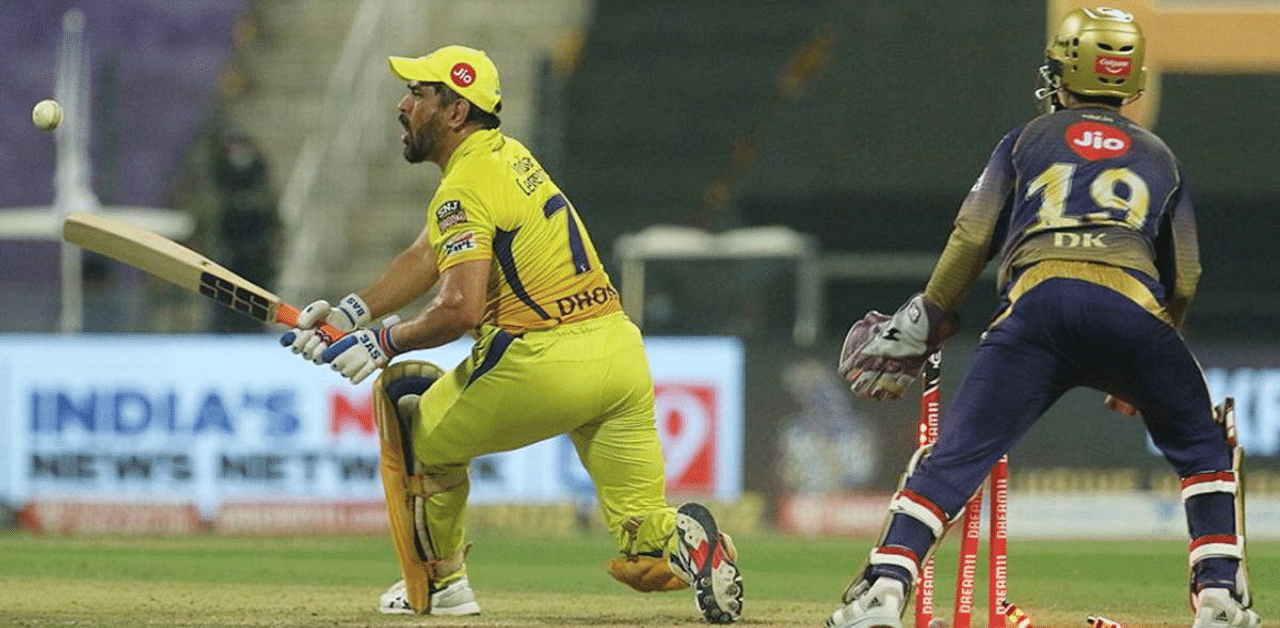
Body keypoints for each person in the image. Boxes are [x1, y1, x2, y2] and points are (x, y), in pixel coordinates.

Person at [281, 45, 742, 623]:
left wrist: (383, 343)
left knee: (413, 428)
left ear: (454, 113)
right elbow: (427, 253)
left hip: (544, 360)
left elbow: (460, 309)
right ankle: (689, 537)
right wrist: (351, 314)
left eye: (418, 95)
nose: (402, 106)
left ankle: (443, 584)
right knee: (643, 543)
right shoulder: (506, 157)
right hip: (619, 354)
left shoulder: (464, 185)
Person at [828, 8, 1258, 628]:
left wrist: (931, 314)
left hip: (1038, 307)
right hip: (1133, 309)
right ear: (1130, 78)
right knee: (1203, 450)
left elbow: (972, 234)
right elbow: (1185, 273)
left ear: (1065, 72)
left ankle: (884, 592)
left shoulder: (1026, 140)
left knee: (953, 459)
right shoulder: (1162, 157)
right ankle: (1218, 597)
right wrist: (1151, 355)